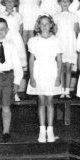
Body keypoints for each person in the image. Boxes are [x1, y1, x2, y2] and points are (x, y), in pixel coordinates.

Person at [27, 15, 62, 143]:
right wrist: (32, 76)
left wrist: (58, 76)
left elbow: (59, 60)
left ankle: (50, 130)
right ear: (38, 26)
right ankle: (42, 130)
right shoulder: (33, 41)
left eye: (47, 23)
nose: (45, 26)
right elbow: (31, 60)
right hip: (39, 71)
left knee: (50, 101)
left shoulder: (56, 40)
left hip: (51, 71)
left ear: (51, 25)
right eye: (42, 24)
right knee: (41, 101)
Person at [54, 0, 80, 101]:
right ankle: (61, 90)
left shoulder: (74, 16)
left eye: (67, 1)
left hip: (70, 43)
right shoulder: (56, 16)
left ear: (70, 2)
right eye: (63, 1)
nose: (65, 3)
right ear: (59, 2)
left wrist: (75, 45)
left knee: (68, 68)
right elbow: (55, 33)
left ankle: (67, 90)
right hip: (60, 43)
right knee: (61, 67)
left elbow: (77, 32)